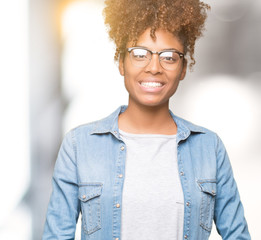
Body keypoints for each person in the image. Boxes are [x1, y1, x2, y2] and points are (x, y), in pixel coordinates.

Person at [42, 0, 250, 239]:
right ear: (121, 62)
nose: (154, 68)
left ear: (183, 67)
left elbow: (237, 235)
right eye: (140, 54)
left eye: (169, 57)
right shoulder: (79, 145)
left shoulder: (209, 147)